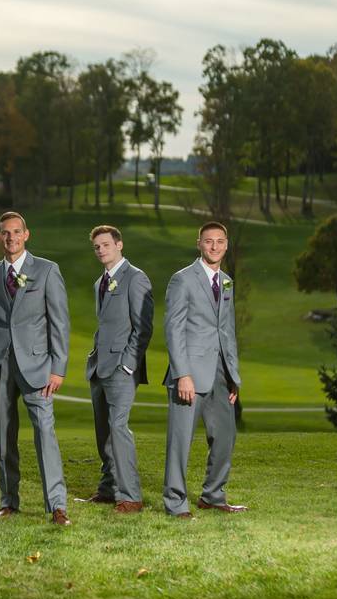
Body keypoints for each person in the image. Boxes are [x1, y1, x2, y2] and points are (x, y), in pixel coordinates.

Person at [0, 211, 72, 526]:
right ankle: (8, 502)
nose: (11, 238)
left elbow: (60, 323)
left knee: (45, 433)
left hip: (39, 367)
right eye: (5, 233)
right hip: (0, 366)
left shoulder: (47, 271)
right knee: (4, 437)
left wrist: (58, 368)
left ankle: (57, 506)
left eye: (17, 232)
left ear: (26, 235)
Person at [162, 221, 246, 518]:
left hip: (221, 375)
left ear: (226, 244)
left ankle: (213, 496)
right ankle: (175, 502)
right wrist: (182, 373)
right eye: (208, 241)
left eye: (220, 241)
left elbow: (227, 331)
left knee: (225, 435)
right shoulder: (182, 280)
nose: (214, 246)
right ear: (199, 243)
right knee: (180, 441)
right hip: (189, 375)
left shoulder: (227, 281)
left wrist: (234, 377)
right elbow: (174, 330)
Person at [77, 225, 153, 513]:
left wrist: (128, 364)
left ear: (119, 245)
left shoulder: (136, 278)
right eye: (96, 246)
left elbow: (143, 327)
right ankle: (108, 489)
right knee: (103, 431)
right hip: (98, 367)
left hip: (121, 368)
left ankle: (130, 496)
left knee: (118, 428)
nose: (101, 250)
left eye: (106, 244)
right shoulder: (100, 282)